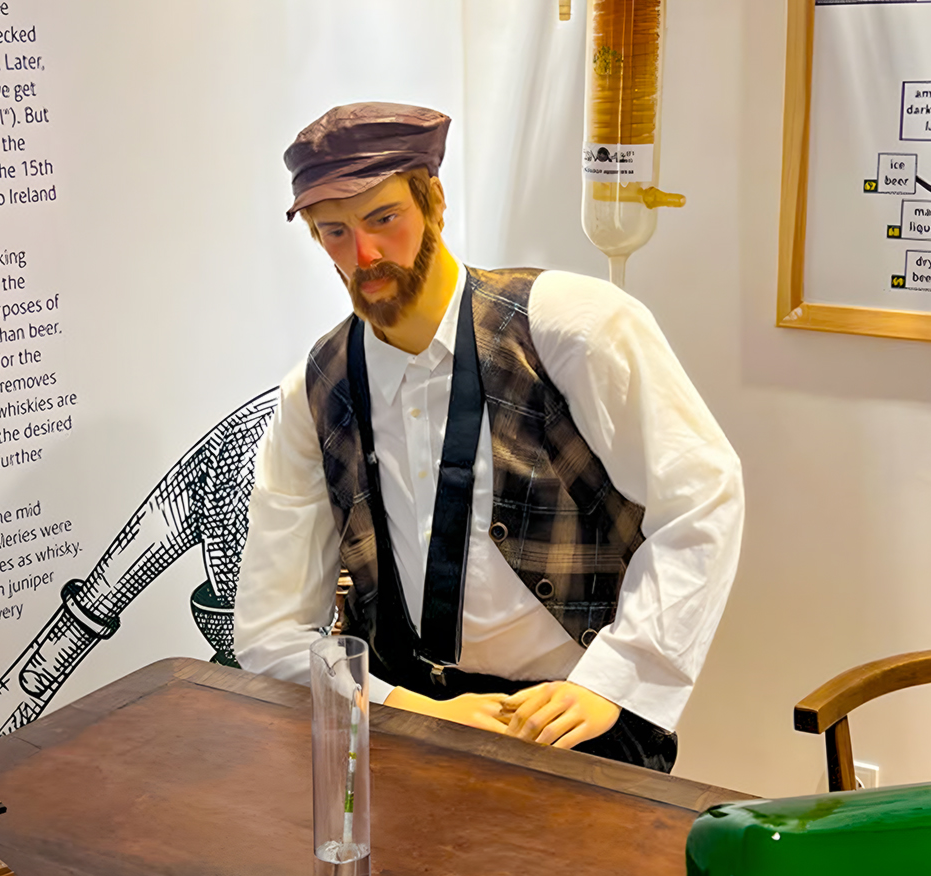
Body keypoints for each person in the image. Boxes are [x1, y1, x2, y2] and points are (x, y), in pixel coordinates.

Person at [233, 103, 742, 772]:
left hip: (567, 717)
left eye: (384, 218)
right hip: (401, 714)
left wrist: (615, 678)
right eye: (335, 232)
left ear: (433, 199)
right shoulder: (318, 386)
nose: (364, 256)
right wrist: (400, 707)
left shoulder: (567, 327)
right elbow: (269, 632)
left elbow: (701, 500)